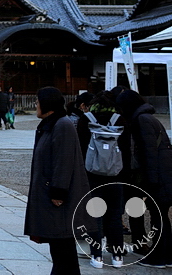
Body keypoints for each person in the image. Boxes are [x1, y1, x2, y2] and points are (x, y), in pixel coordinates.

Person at [25, 86, 90, 275]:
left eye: (38, 101)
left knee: (63, 247)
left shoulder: (62, 124)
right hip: (51, 195)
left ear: (47, 104)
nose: (36, 105)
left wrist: (58, 191)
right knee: (59, 248)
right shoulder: (52, 124)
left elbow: (64, 160)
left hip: (59, 199)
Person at [116, 89, 172, 268]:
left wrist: (151, 180)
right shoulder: (147, 117)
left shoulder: (142, 120)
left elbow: (149, 153)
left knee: (158, 216)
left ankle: (158, 257)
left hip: (159, 175)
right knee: (160, 216)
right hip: (163, 172)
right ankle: (166, 255)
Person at [75, 90, 128, 269]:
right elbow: (127, 150)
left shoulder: (86, 120)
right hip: (115, 175)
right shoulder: (120, 120)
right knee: (114, 216)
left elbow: (80, 149)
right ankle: (117, 256)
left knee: (95, 215)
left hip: (91, 175)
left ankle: (96, 256)